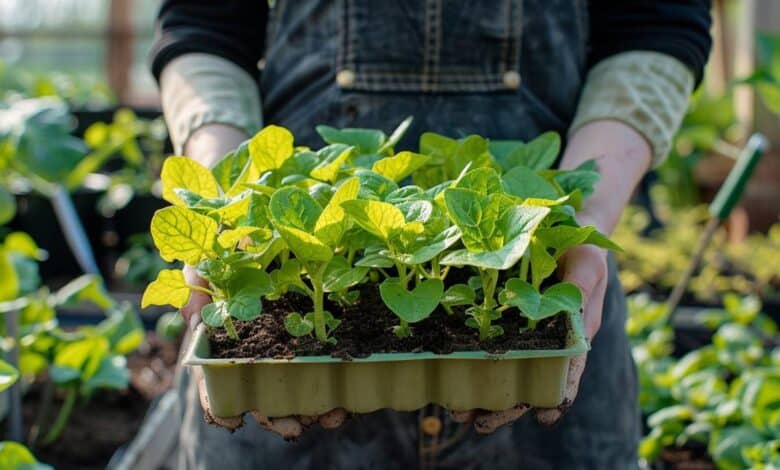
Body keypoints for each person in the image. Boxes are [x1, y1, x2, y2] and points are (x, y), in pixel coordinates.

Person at [150, 1, 712, 468]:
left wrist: (579, 226)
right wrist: (229, 220)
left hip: (551, 313)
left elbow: (655, 23)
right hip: (281, 386)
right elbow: (205, 24)